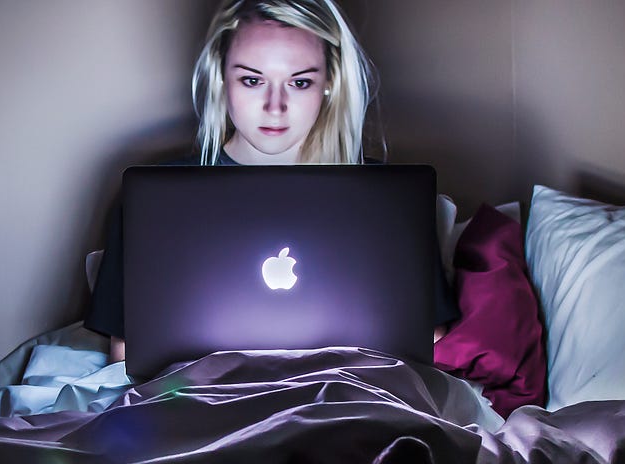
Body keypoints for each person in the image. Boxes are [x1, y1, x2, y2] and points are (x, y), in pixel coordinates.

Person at [86, 0, 460, 363]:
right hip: (208, 401)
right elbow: (127, 353)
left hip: (342, 397)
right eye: (252, 80)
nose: (274, 106)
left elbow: (427, 338)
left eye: (299, 83)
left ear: (329, 83)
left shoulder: (387, 196)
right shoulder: (156, 198)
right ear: (221, 77)